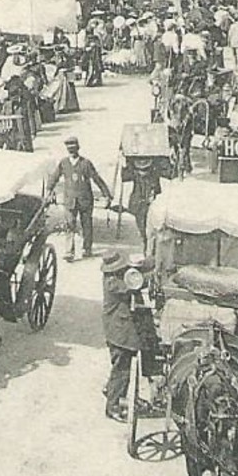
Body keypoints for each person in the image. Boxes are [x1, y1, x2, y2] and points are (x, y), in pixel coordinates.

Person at [101, 252, 156, 421]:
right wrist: (152, 276)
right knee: (122, 368)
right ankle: (113, 406)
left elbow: (142, 266)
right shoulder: (113, 283)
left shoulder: (115, 276)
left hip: (119, 330)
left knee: (123, 365)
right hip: (119, 333)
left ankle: (115, 390)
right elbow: (135, 284)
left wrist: (149, 262)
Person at [48, 136, 113, 261]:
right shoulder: (64, 163)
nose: (71, 150)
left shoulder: (86, 163)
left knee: (86, 225)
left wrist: (106, 194)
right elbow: (54, 177)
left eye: (73, 147)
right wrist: (49, 190)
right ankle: (69, 252)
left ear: (78, 148)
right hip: (69, 201)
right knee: (69, 225)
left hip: (85, 200)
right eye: (69, 148)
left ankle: (86, 248)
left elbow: (97, 179)